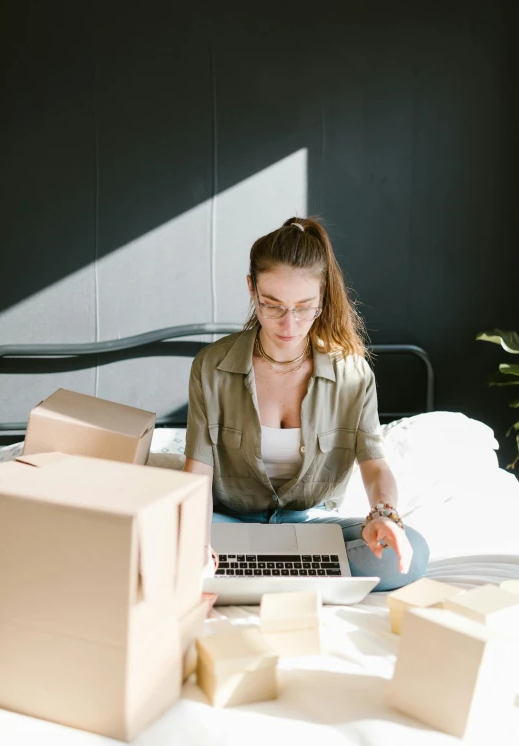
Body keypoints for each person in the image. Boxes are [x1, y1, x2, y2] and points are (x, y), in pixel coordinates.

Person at [184, 215, 429, 592]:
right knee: (151, 541)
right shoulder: (211, 367)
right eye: (272, 305)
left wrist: (384, 515)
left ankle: (258, 575)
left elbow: (375, 465)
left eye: (304, 306)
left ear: (323, 296)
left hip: (311, 526)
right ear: (252, 288)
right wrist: (195, 543)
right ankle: (291, 576)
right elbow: (196, 474)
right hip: (227, 525)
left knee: (409, 551)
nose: (289, 323)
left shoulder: (352, 374)